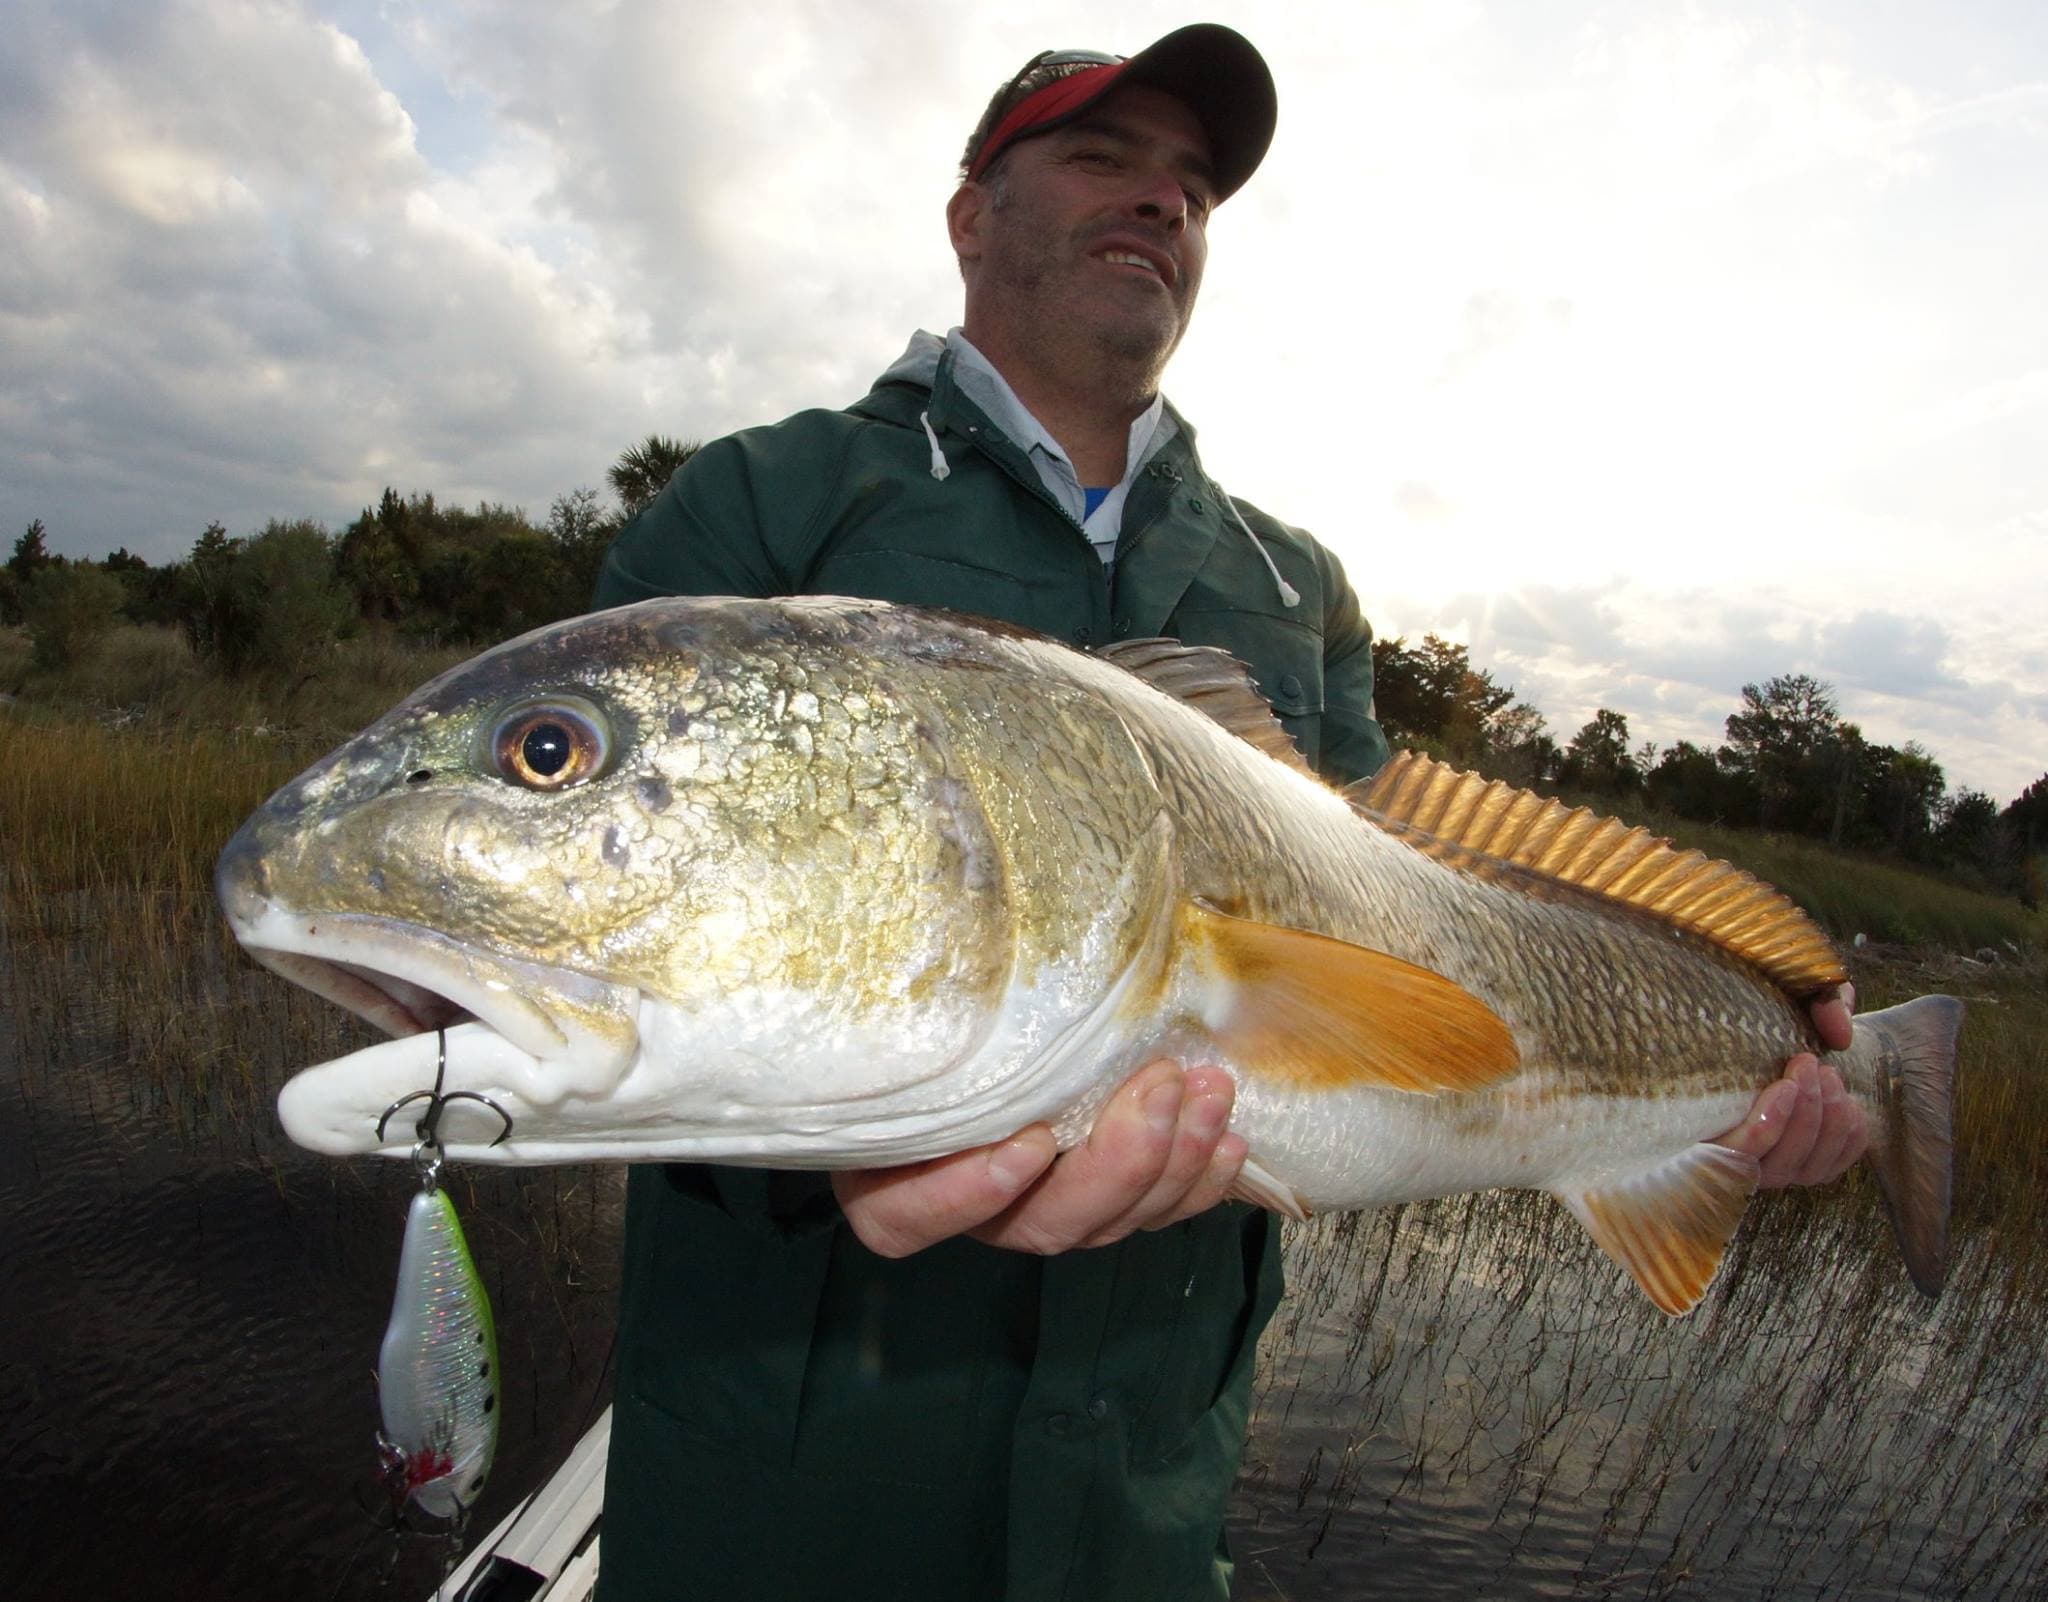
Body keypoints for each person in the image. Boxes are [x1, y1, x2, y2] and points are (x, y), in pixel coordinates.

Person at [587, 26, 1865, 1601]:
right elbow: (606, 931)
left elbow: (1416, 891)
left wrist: (1736, 1058)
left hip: (1142, 1473)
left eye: (1190, 186)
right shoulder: (764, 504)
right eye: (1099, 157)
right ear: (972, 215)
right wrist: (823, 1155)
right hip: (785, 1465)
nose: (1161, 202)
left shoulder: (1293, 580)